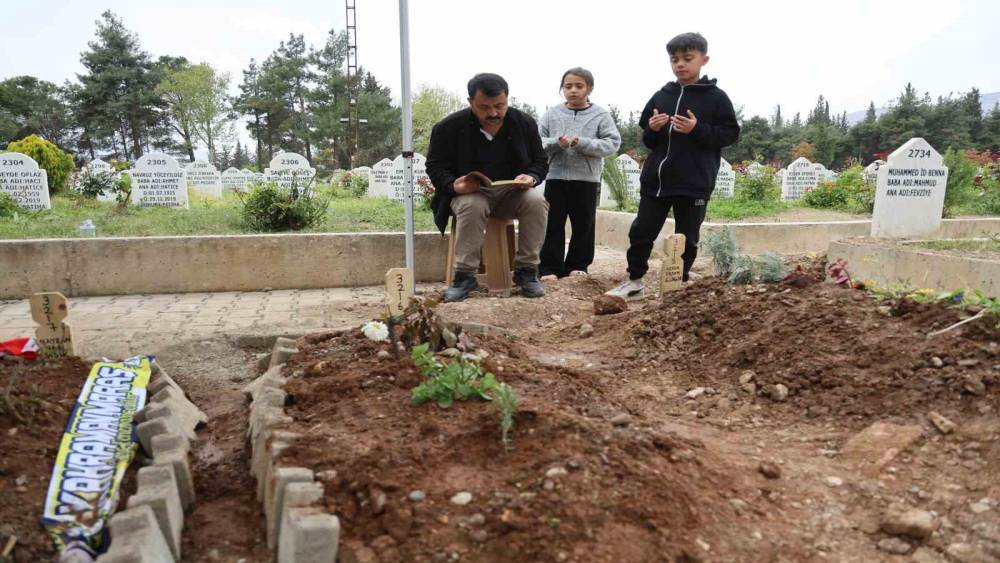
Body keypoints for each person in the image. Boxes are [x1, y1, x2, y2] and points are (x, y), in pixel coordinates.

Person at [606, 32, 740, 300]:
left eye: (687, 58)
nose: (680, 64)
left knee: (686, 238)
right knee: (642, 231)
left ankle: (677, 286)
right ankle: (635, 282)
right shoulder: (661, 95)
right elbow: (647, 138)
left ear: (704, 59)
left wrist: (697, 128)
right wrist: (653, 129)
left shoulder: (716, 98)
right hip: (657, 181)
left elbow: (729, 135)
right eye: (674, 59)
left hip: (694, 182)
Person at [426, 73, 550, 302]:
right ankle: (464, 276)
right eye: (484, 107)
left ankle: (527, 271)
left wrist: (531, 177)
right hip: (470, 193)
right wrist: (454, 185)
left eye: (499, 106)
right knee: (472, 204)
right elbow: (435, 166)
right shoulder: (449, 127)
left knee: (536, 201)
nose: (493, 113)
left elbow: (540, 161)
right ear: (470, 102)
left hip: (511, 193)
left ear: (507, 100)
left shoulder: (523, 123)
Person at [538, 67, 621, 280]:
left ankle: (578, 265)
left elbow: (612, 143)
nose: (573, 90)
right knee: (552, 223)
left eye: (579, 86)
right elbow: (537, 142)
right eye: (568, 86)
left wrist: (582, 143)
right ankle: (549, 268)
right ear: (562, 89)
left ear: (589, 88)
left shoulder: (601, 115)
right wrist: (557, 143)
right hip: (555, 178)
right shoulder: (551, 114)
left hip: (586, 179)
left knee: (583, 224)